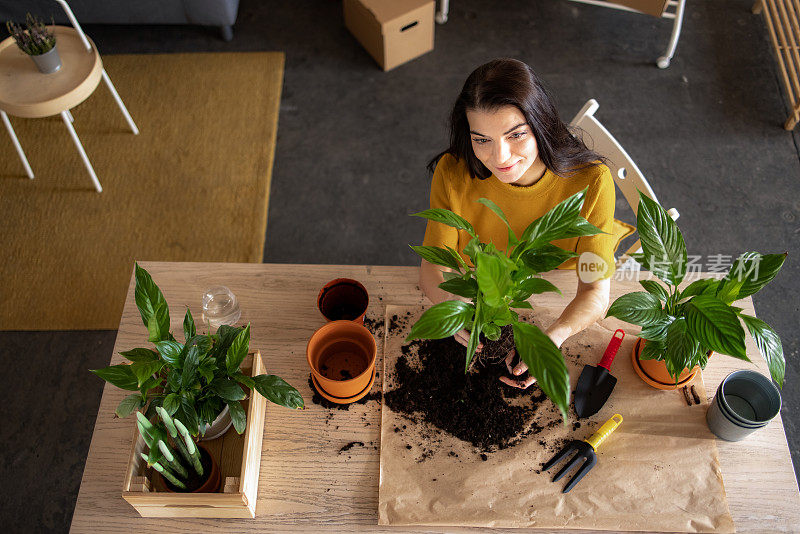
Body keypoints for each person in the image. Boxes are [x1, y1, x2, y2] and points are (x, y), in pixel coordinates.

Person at [419, 58, 624, 389]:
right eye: (481, 139)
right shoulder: (454, 171)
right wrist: (451, 307)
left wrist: (552, 336)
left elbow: (595, 290)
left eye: (516, 135)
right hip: (480, 281)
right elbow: (432, 267)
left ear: (540, 124)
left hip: (556, 284)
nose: (500, 157)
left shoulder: (592, 182)